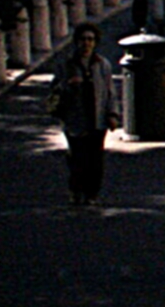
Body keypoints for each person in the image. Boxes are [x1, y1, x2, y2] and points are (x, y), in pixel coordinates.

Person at [50, 22, 121, 205]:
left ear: (95, 42)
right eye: (83, 39)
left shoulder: (102, 64)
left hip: (97, 119)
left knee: (95, 159)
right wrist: (68, 85)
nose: (86, 43)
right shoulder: (66, 65)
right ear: (76, 42)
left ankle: (92, 193)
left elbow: (109, 91)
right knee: (76, 158)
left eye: (90, 40)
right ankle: (76, 190)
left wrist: (113, 114)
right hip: (75, 119)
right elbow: (55, 90)